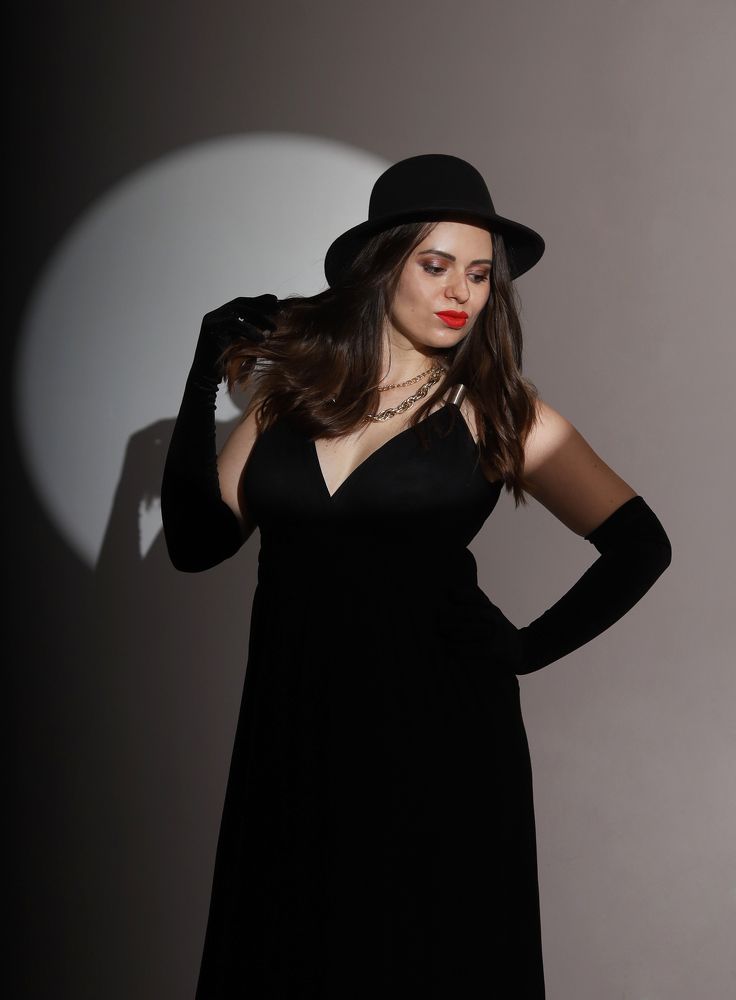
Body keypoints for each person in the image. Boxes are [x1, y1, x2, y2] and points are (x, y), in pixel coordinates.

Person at [161, 153, 672, 999]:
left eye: (479, 274)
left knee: (425, 962)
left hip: (438, 743)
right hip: (293, 736)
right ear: (382, 266)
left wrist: (526, 648)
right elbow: (194, 541)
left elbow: (641, 545)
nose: (461, 292)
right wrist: (200, 376)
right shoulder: (289, 400)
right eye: (436, 266)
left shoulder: (500, 412)